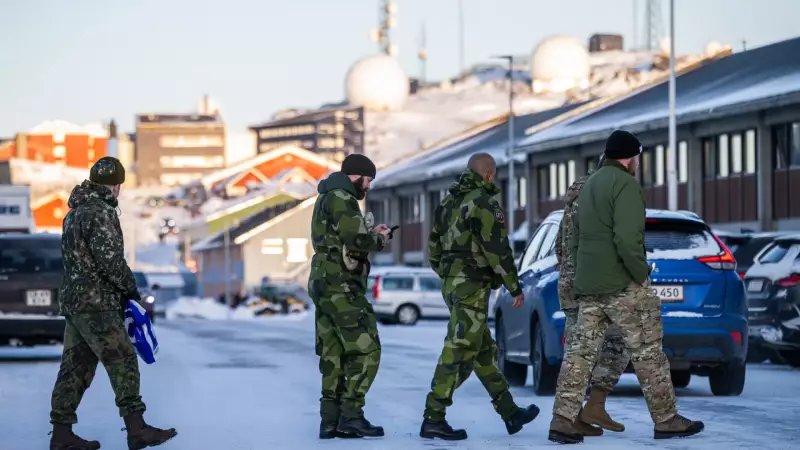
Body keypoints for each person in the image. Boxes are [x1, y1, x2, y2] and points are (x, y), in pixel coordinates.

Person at [548, 130, 704, 444]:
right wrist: (640, 273)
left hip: (588, 284)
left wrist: (581, 279)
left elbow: (573, 240)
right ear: (631, 157)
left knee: (579, 355)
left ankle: (563, 420)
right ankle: (667, 419)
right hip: (621, 284)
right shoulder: (626, 185)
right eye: (637, 158)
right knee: (648, 351)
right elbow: (628, 239)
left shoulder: (586, 186)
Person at [49, 157, 177, 450]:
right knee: (123, 361)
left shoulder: (74, 213)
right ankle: (137, 428)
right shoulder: (100, 212)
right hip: (98, 303)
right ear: (116, 186)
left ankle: (61, 433)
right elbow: (110, 260)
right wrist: (131, 289)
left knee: (75, 368)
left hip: (75, 302)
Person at [420, 152, 539, 441]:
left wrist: (448, 274)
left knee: (484, 352)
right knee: (459, 348)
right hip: (471, 284)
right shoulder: (484, 203)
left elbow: (433, 244)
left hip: (452, 283)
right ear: (487, 174)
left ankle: (510, 414)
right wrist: (514, 286)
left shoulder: (448, 202)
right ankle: (433, 417)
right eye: (494, 173)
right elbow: (497, 248)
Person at [308, 153, 393, 439]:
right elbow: (356, 240)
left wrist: (368, 231)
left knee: (333, 352)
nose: (367, 186)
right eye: (367, 180)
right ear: (355, 175)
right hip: (341, 285)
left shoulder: (326, 197)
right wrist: (379, 239)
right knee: (368, 349)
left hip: (324, 281)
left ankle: (329, 421)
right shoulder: (343, 198)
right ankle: (351, 415)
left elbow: (344, 236)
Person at [554, 153, 630, 436]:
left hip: (573, 284)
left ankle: (583, 411)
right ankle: (569, 417)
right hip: (594, 284)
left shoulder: (575, 196)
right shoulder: (605, 193)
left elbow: (559, 249)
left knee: (586, 348)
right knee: (602, 347)